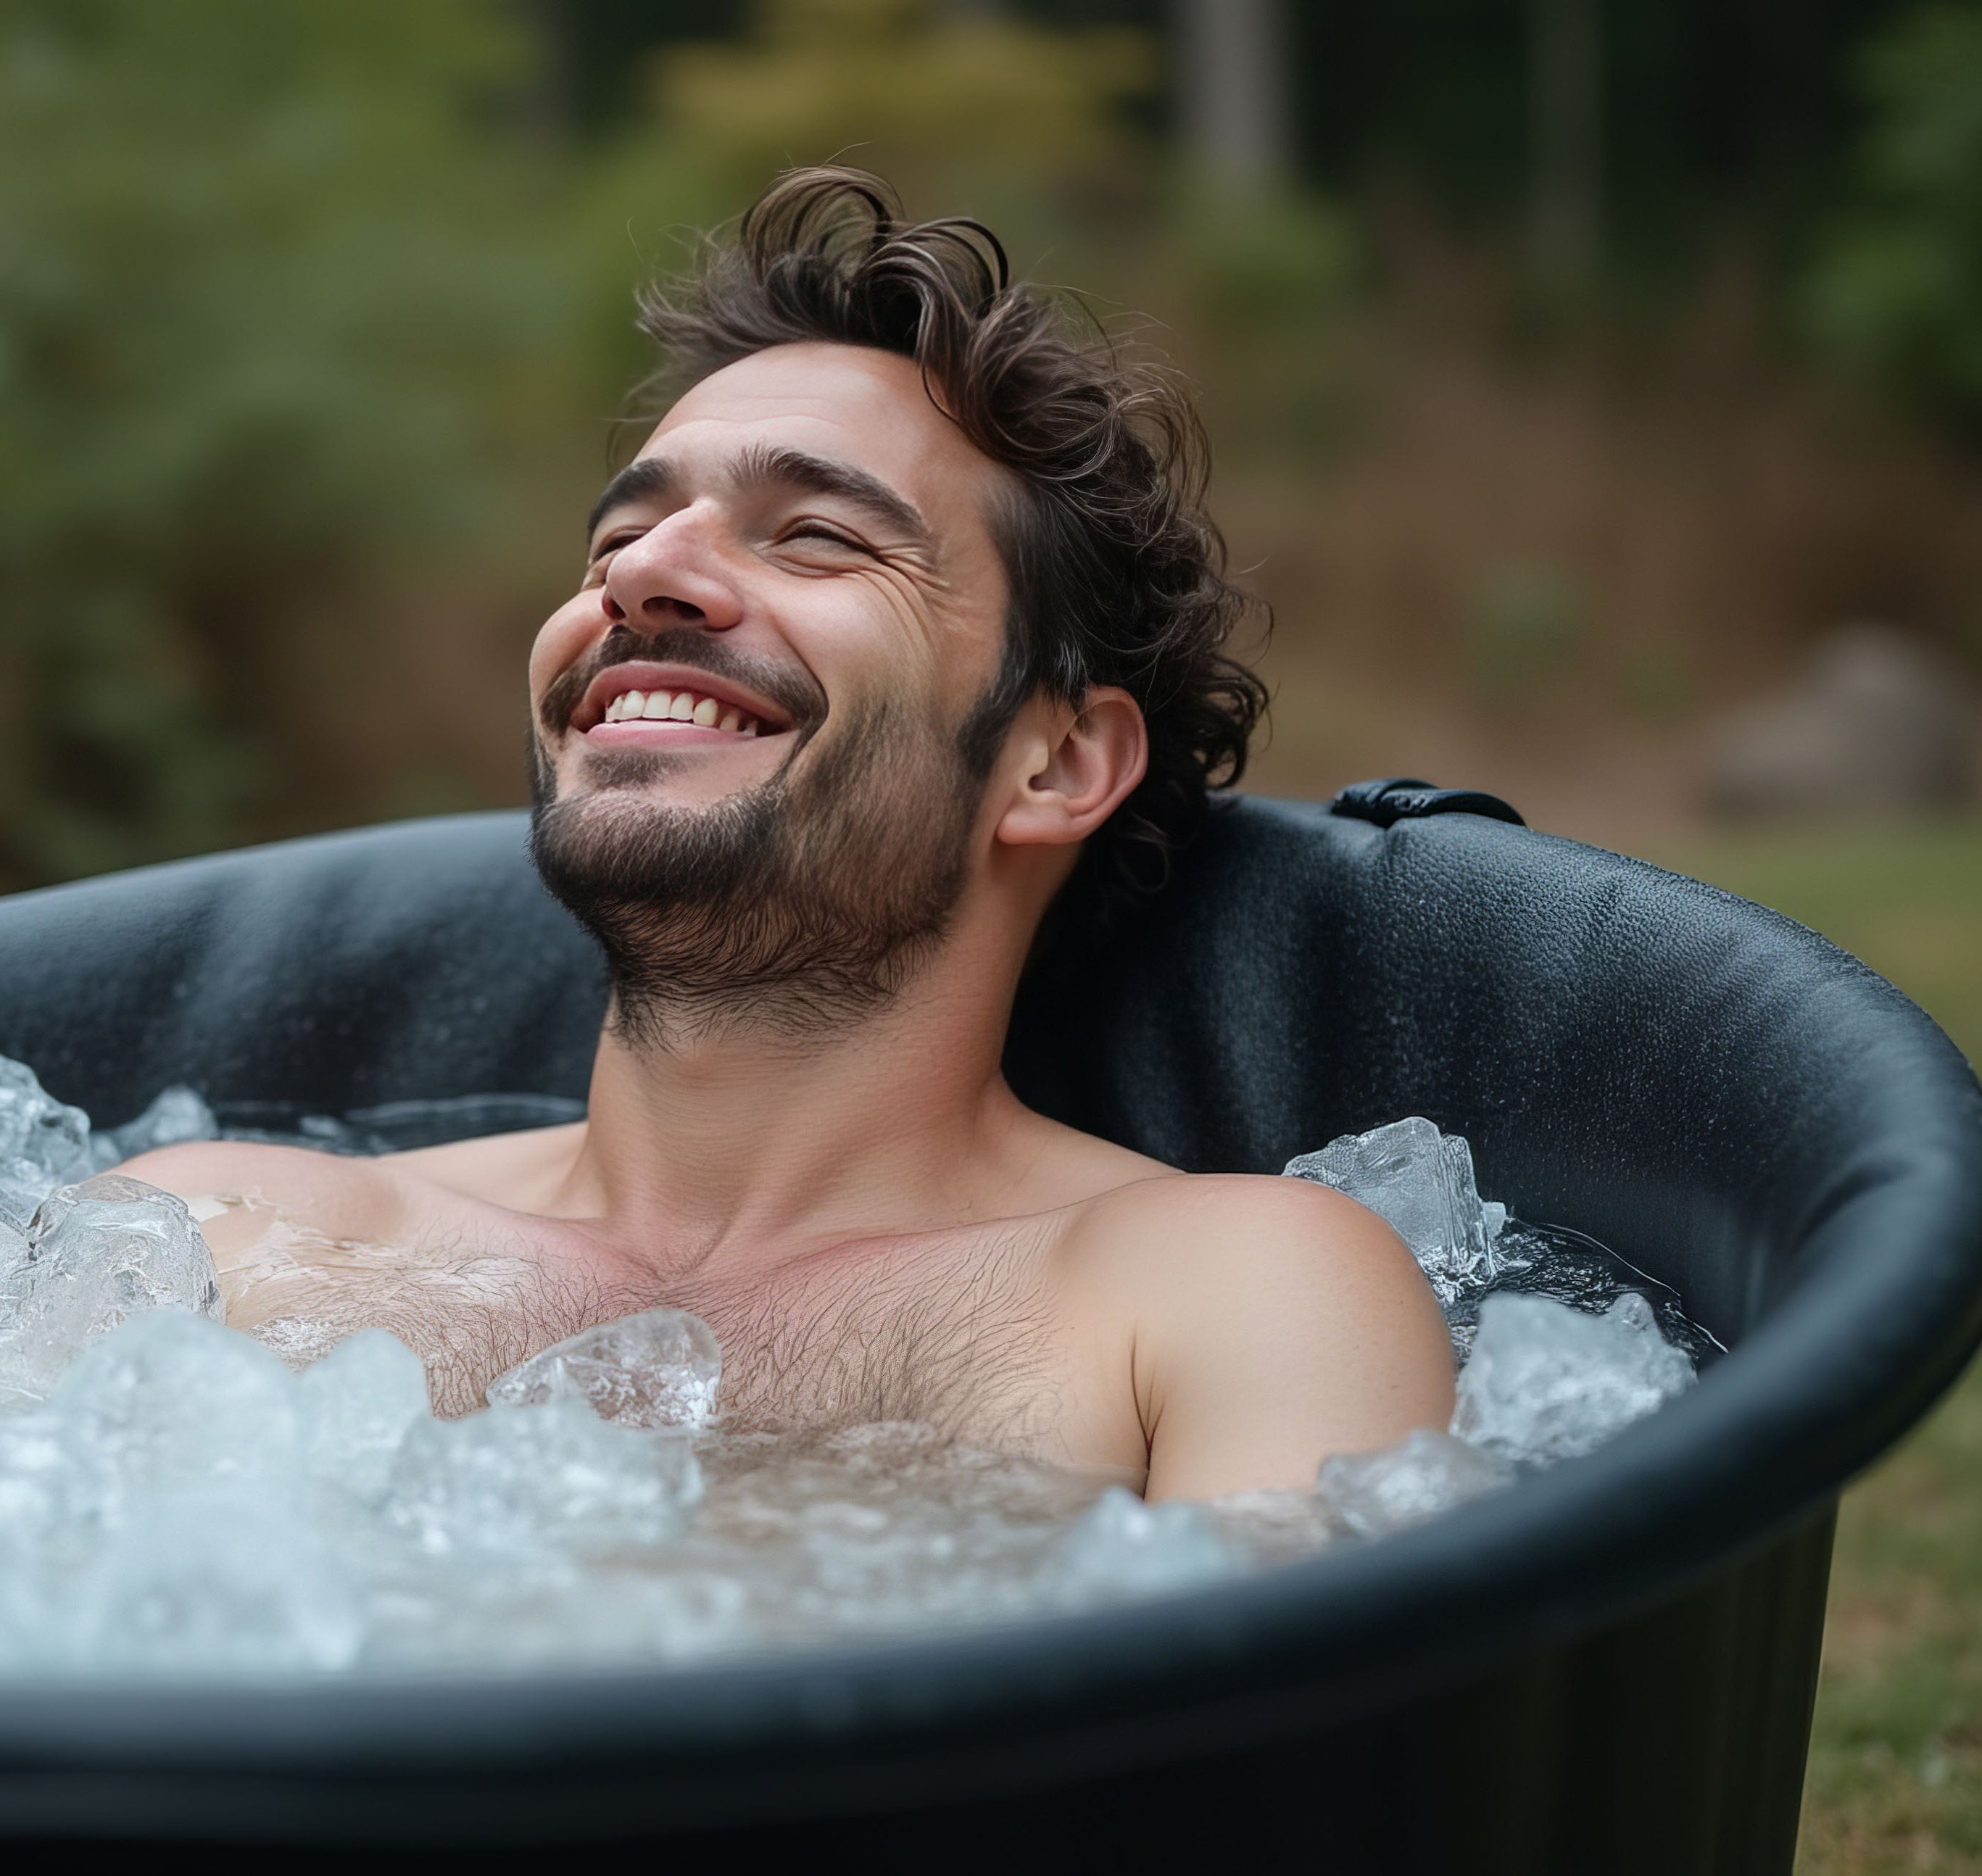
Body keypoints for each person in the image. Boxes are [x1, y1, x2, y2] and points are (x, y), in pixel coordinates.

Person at [123, 167, 1451, 1501]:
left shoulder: (1219, 1301)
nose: (640, 576)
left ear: (1054, 765)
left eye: (814, 537)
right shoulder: (215, 1241)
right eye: (621, 539)